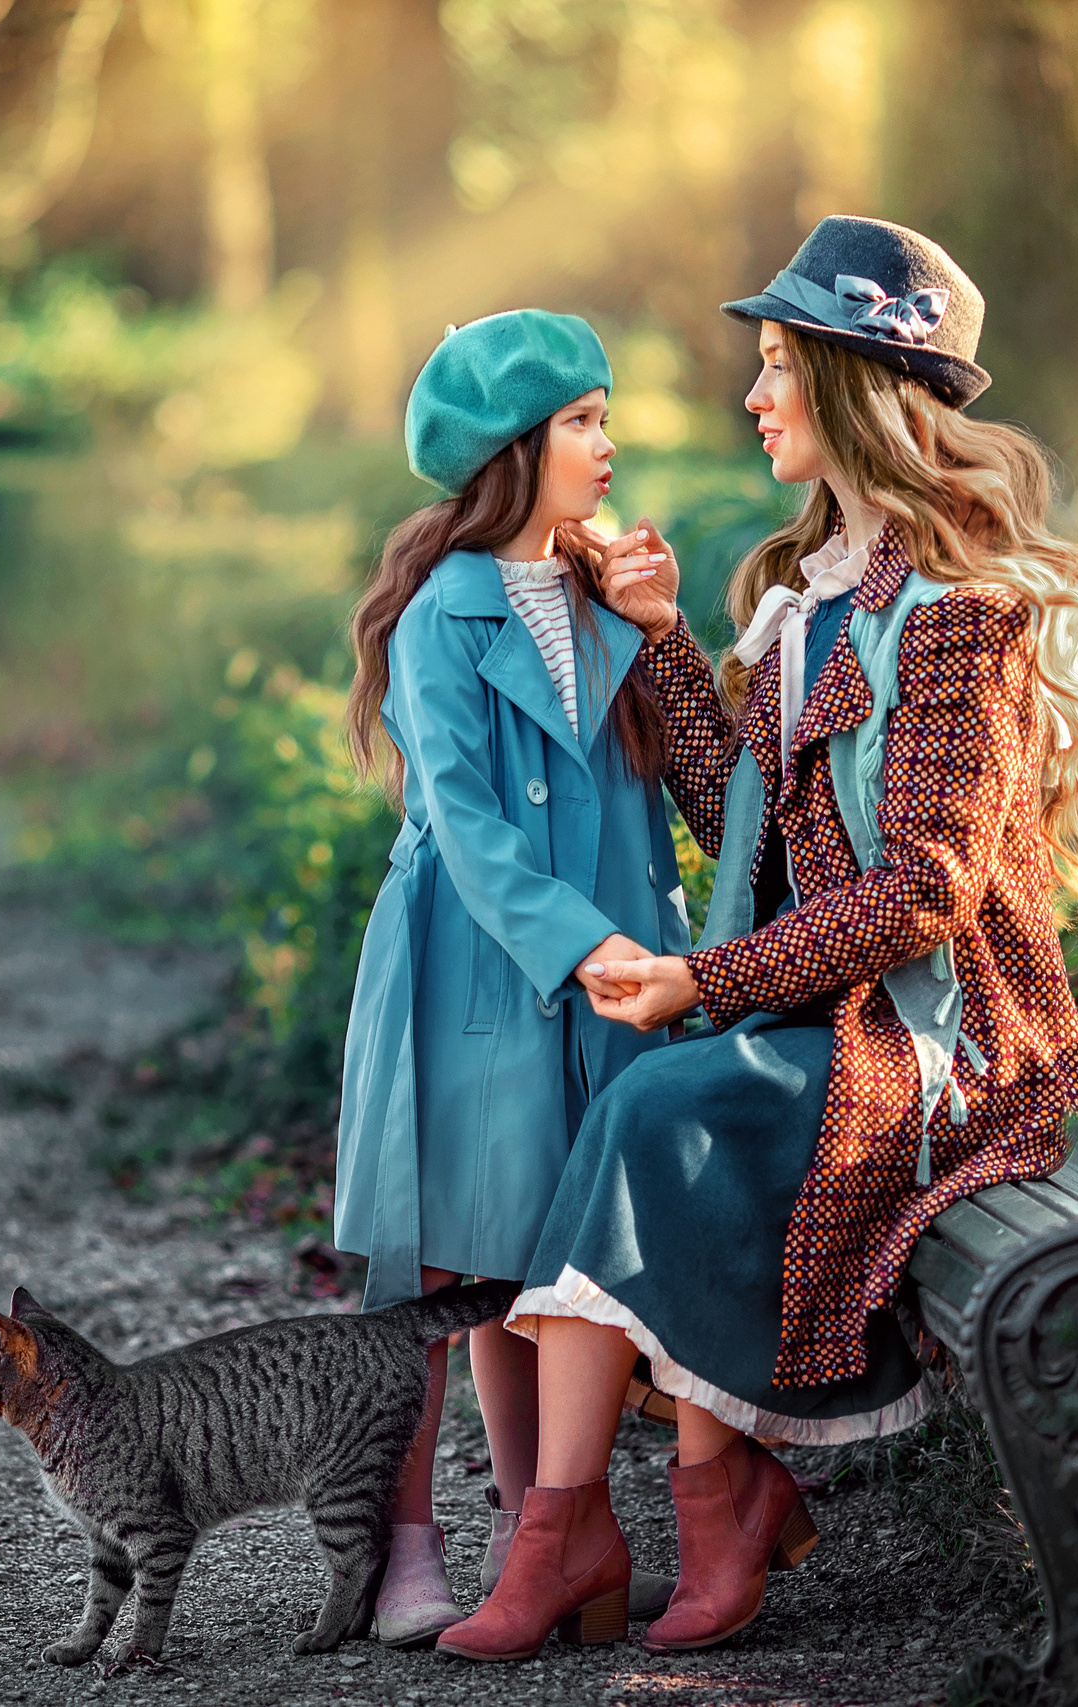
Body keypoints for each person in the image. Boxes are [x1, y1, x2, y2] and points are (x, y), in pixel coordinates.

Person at [436, 217, 1078, 1663]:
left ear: (852, 387)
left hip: (950, 1039)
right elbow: (733, 817)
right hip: (830, 1016)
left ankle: (667, 1511)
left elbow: (926, 891)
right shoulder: (814, 602)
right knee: (657, 1096)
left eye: (775, 368)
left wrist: (702, 979)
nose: (753, 399)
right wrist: (663, 634)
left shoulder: (959, 618)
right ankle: (620, 1519)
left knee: (666, 1094)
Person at [334, 309, 692, 1646]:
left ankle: (543, 1538)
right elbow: (468, 828)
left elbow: (670, 791)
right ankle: (407, 1548)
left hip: (603, 968)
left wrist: (660, 629)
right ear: (515, 448)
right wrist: (581, 940)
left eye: (606, 416)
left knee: (542, 1251)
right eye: (584, 421)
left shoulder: (608, 594)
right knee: (445, 1265)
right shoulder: (443, 616)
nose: (610, 444)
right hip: (469, 964)